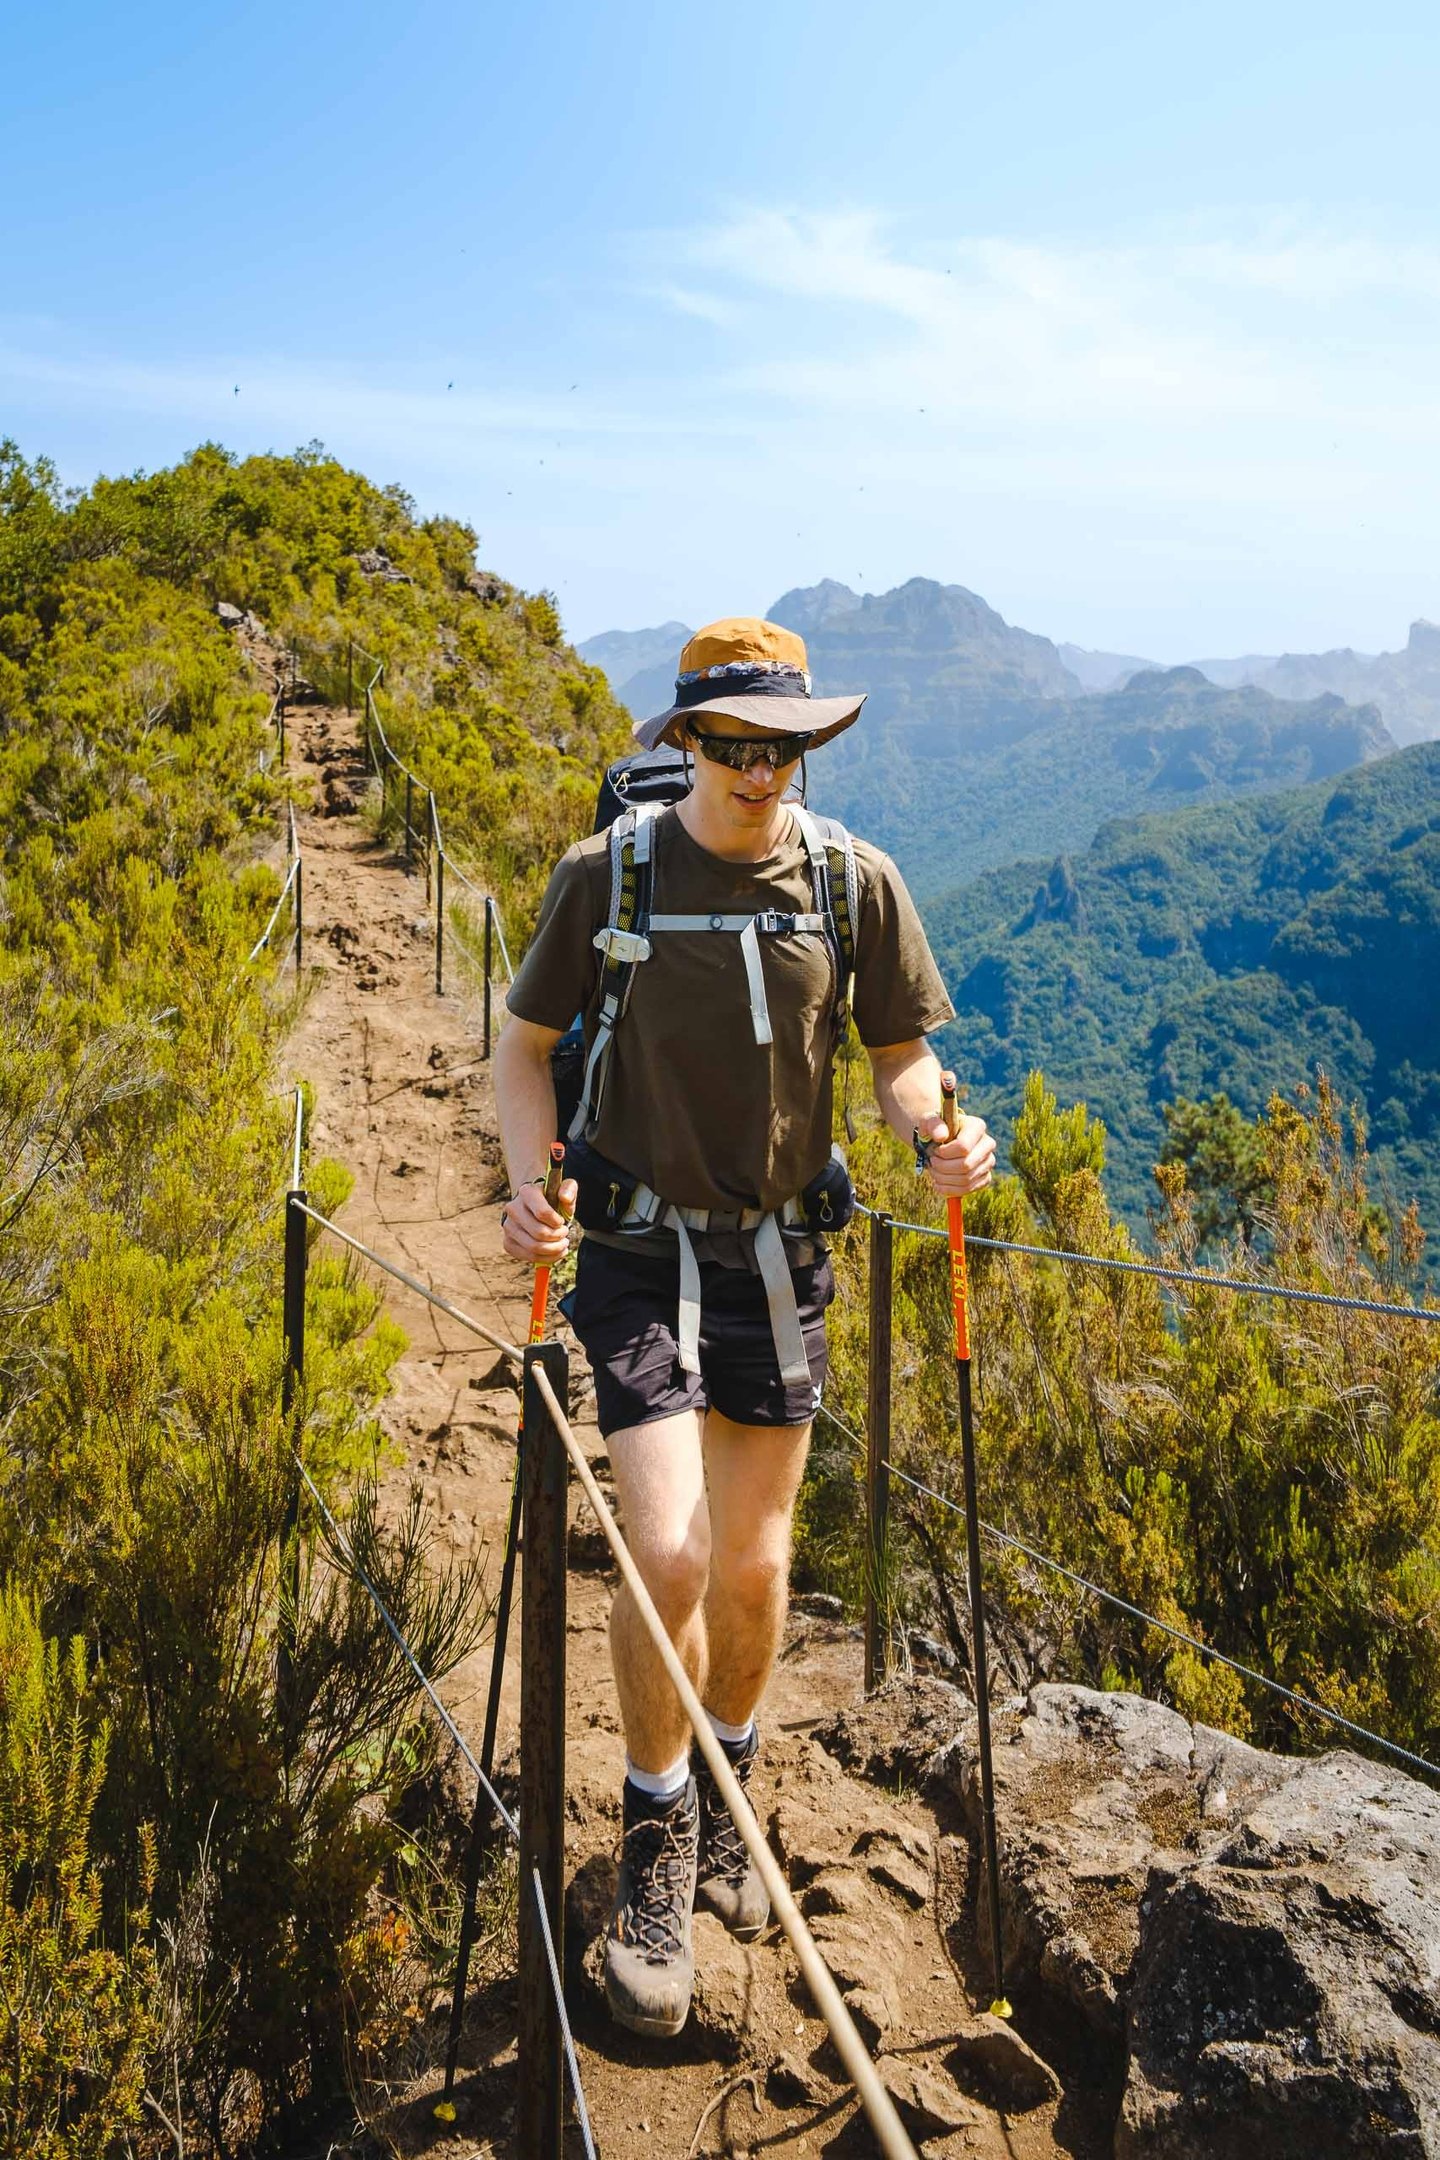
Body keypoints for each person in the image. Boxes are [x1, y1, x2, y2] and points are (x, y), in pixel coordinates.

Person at [494, 617, 995, 2037]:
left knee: (759, 1574)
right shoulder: (611, 873)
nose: (757, 771)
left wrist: (941, 1141)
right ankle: (659, 1840)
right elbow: (521, 1058)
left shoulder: (854, 884)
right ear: (686, 741)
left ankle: (729, 1783)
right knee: (668, 1547)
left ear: (807, 745)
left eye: (781, 746)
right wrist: (532, 1187)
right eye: (730, 743)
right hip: (641, 1249)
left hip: (782, 1256)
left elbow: (902, 1061)